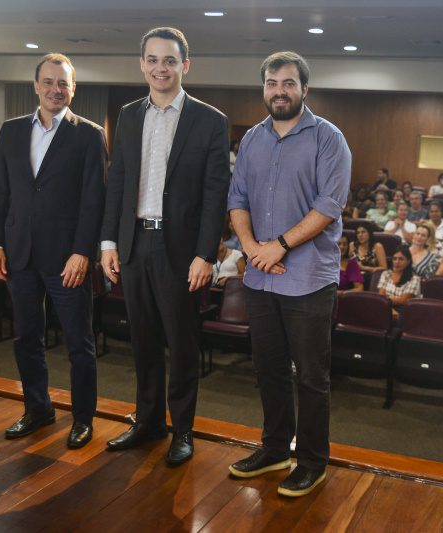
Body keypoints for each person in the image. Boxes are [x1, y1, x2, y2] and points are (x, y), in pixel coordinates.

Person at [100, 28, 230, 465]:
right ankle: (149, 422)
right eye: (153, 60)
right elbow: (117, 182)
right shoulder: (129, 114)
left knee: (182, 343)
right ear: (142, 64)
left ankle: (183, 430)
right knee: (143, 341)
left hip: (181, 252)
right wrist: (108, 242)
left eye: (169, 60)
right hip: (134, 244)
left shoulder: (210, 120)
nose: (161, 68)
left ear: (184, 65)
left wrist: (206, 254)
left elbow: (216, 194)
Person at [227, 51, 351, 498]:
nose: (279, 90)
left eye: (288, 83)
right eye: (272, 83)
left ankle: (313, 461)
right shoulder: (253, 140)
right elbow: (236, 199)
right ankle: (275, 448)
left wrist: (275, 246)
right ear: (263, 88)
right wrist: (252, 250)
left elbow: (328, 206)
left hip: (308, 280)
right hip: (262, 279)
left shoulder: (328, 139)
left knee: (311, 377)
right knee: (269, 369)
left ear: (304, 89)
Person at [0, 53, 107, 449]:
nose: (57, 89)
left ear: (74, 89)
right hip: (19, 254)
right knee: (26, 338)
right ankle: (38, 409)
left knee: (79, 344)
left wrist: (82, 252)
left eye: (64, 83)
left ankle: (83, 419)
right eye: (49, 82)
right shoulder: (11, 131)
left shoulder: (88, 134)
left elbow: (94, 200)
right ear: (36, 86)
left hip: (67, 259)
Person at [378, 246, 422, 318]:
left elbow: (403, 300)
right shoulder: (386, 274)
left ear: (408, 261)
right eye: (394, 259)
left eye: (401, 259)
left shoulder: (414, 279)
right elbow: (381, 296)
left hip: (405, 310)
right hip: (385, 307)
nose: (397, 262)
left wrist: (385, 301)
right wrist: (390, 309)